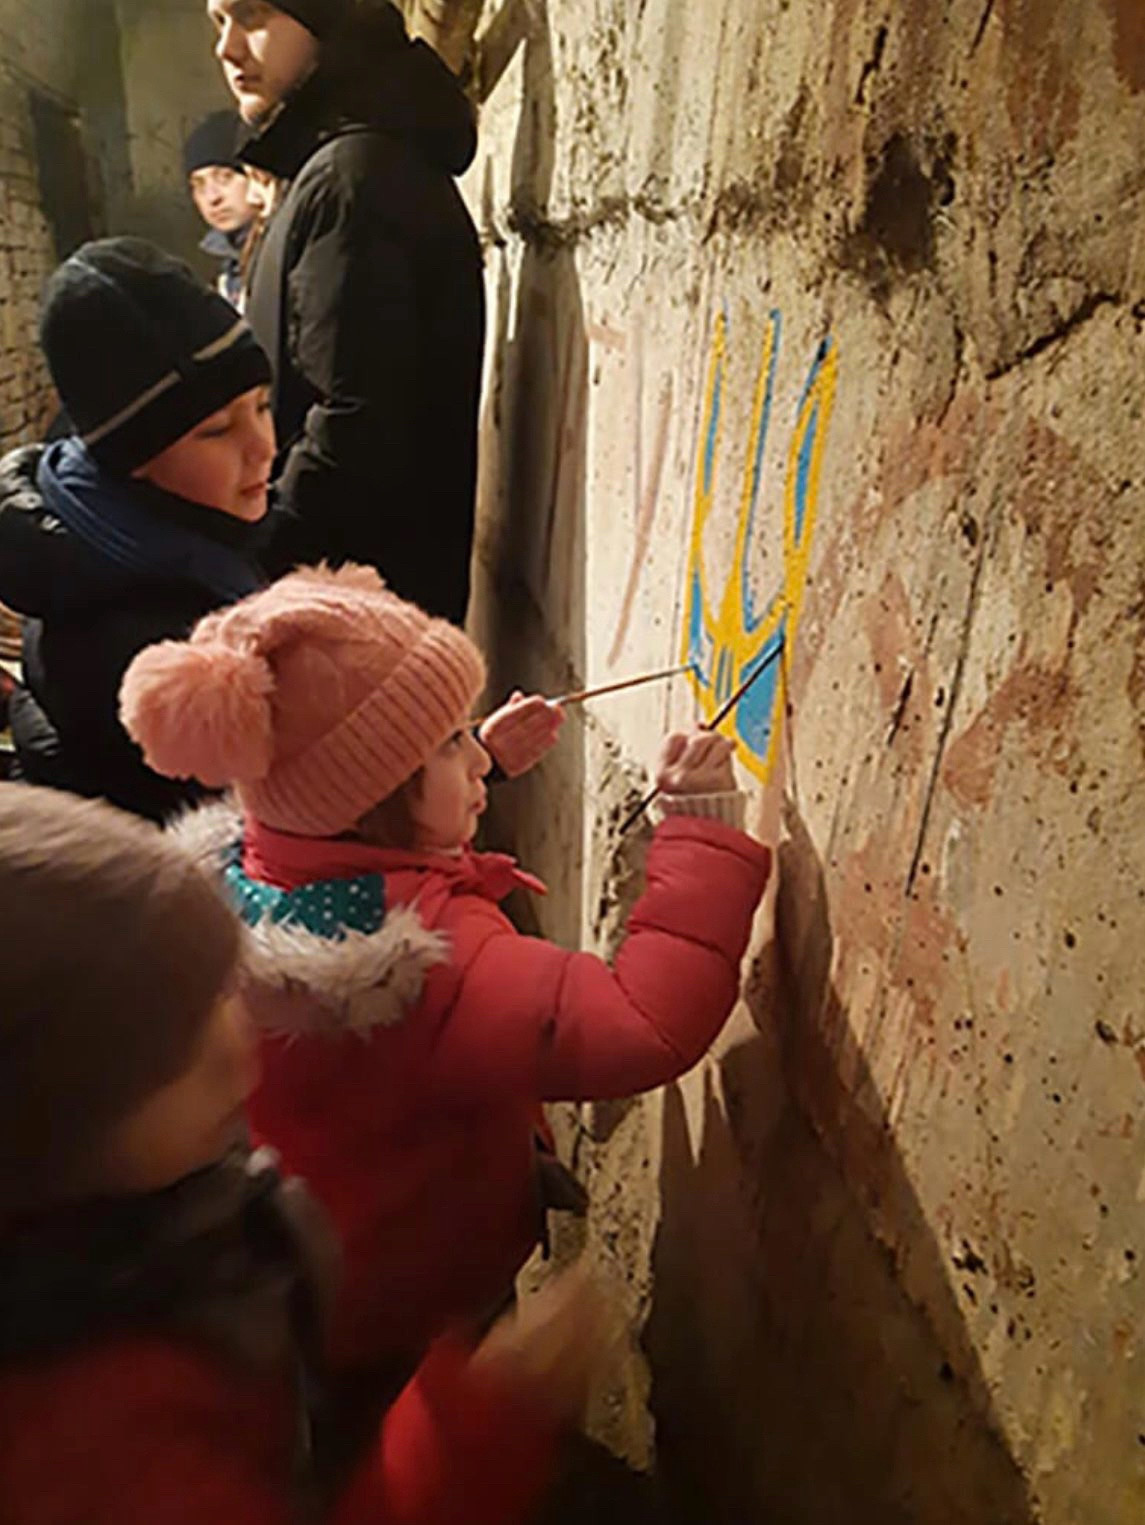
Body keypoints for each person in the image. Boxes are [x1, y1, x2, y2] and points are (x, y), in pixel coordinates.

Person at [120, 564, 773, 1410]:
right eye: (448, 744)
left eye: (465, 731)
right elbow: (641, 1022)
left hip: (316, 1276)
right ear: (383, 794)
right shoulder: (433, 963)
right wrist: (701, 825)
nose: (473, 753)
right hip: (418, 1292)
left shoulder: (258, 875)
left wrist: (480, 762)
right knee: (421, 1441)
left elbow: (357, 820)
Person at [0, 782, 599, 1524]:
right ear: (60, 1121)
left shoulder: (134, 1216)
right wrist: (479, 1426)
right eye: (180, 1039)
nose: (236, 1038)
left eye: (219, 991)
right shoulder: (94, 1446)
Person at [209, 0, 484, 623]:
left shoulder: (356, 181)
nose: (227, 49)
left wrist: (258, 565)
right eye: (217, 23)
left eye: (249, 16)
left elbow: (355, 423)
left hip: (353, 628)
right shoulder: (342, 168)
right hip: (356, 614)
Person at [0, 237, 277, 822]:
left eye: (263, 406)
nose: (264, 447)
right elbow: (281, 820)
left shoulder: (115, 536)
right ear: (133, 457)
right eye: (217, 430)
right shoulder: (147, 642)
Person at [184, 108, 253, 307]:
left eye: (224, 177)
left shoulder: (284, 256)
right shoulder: (226, 272)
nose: (212, 197)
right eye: (199, 184)